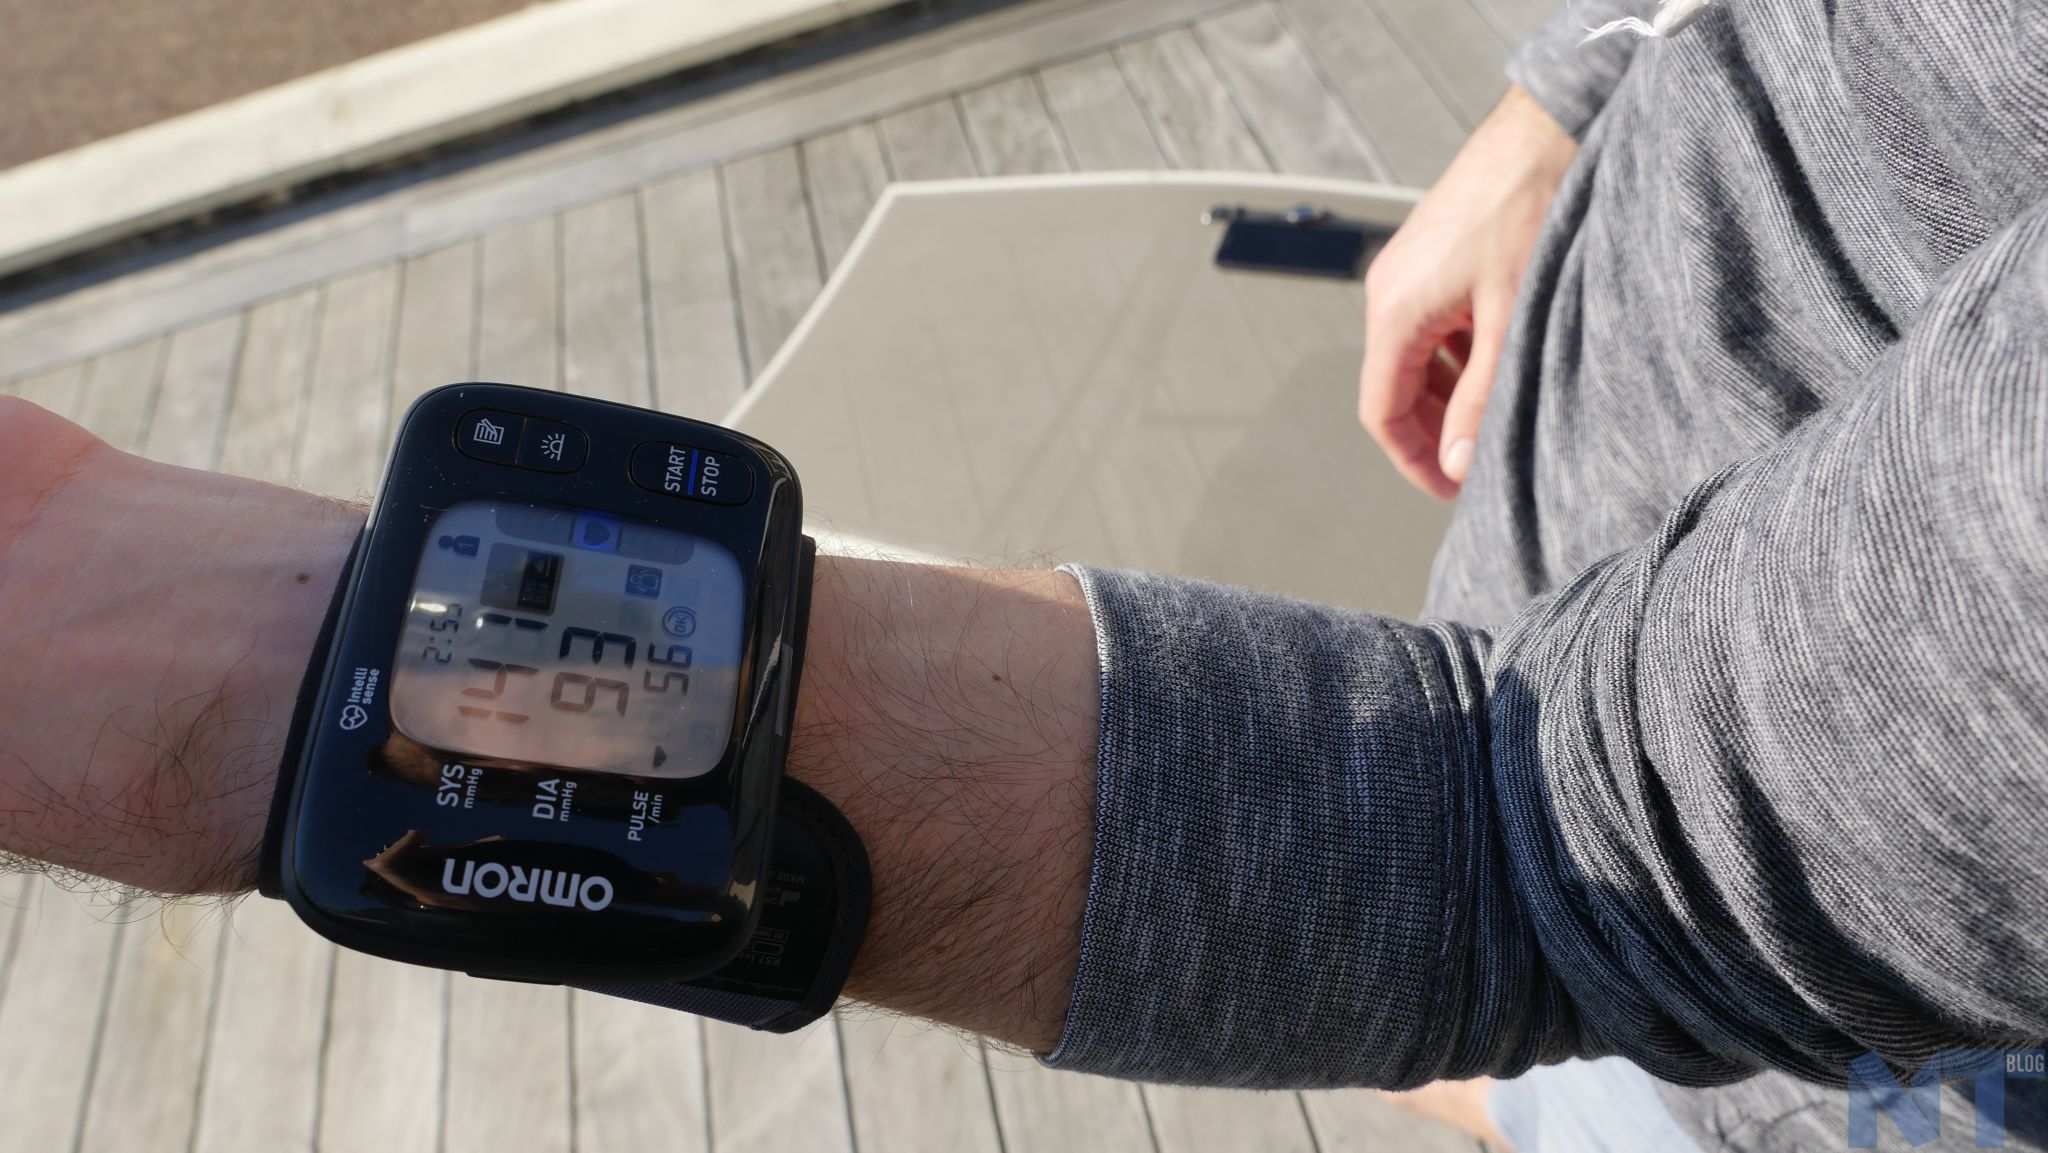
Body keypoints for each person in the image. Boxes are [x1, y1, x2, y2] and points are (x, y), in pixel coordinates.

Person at [0, 0, 2044, 1149]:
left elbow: (1526, 853)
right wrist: (1592, 70)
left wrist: (259, 695)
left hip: (1816, 1022)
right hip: (1560, 661)